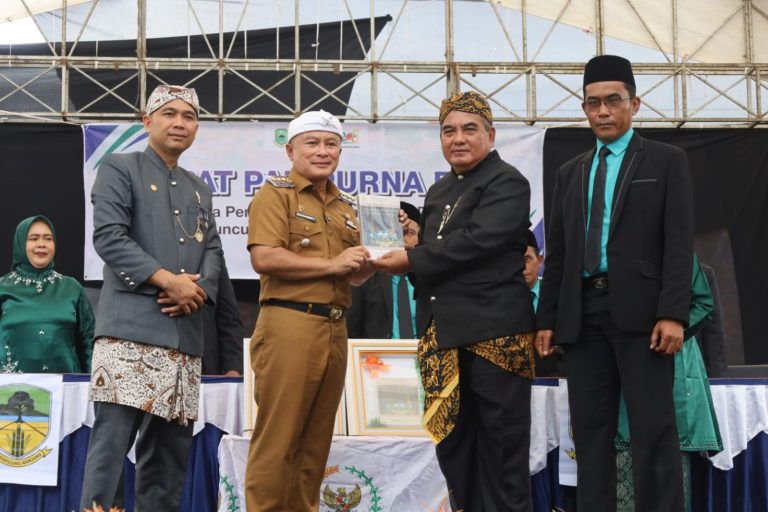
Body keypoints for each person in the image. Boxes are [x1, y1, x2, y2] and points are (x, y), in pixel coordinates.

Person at [536, 55, 694, 511]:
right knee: (589, 435)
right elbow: (558, 254)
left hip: (644, 315)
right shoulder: (571, 172)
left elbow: (678, 243)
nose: (602, 111)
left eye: (613, 101)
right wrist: (547, 318)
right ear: (584, 108)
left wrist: (673, 313)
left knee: (653, 431)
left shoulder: (666, 160)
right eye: (593, 103)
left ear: (634, 104)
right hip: (582, 316)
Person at [375, 91, 535, 511]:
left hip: (494, 338)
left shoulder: (508, 181)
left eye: (469, 129)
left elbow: (480, 241)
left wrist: (413, 258)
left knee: (501, 454)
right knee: (456, 452)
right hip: (443, 340)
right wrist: (413, 249)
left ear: (491, 135)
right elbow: (437, 260)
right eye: (448, 131)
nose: (458, 139)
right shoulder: (439, 190)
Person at [79, 85, 222, 510]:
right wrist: (167, 281)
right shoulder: (119, 167)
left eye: (189, 116)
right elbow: (109, 237)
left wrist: (197, 290)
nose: (180, 123)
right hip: (129, 332)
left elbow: (213, 250)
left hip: (184, 338)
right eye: (169, 114)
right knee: (111, 448)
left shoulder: (199, 188)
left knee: (168, 460)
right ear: (147, 122)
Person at [245, 109, 375, 510]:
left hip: (335, 327)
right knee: (278, 440)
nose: (323, 151)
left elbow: (354, 275)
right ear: (291, 150)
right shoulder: (275, 194)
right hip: (290, 322)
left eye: (331, 144)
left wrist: (378, 258)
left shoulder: (346, 205)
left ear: (340, 151)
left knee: (316, 444)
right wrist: (333, 264)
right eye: (312, 143)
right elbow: (264, 258)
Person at [615, 255, 722, 511]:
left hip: (673, 358)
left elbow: (703, 305)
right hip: (620, 360)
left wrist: (670, 332)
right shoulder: (612, 252)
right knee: (621, 463)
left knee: (669, 461)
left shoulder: (677, 252)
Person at [0, 215, 94, 373]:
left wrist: (93, 384)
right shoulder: (3, 287)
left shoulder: (71, 288)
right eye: (33, 238)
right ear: (20, 243)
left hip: (66, 386)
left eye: (48, 239)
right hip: (12, 387)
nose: (41, 244)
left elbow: (88, 344)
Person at [346, 201, 420, 339]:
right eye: (396, 233)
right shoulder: (364, 278)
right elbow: (352, 329)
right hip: (377, 352)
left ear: (420, 239)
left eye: (409, 233)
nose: (401, 240)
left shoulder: (429, 278)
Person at [201, 261, 244, 375]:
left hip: (207, 370)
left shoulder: (212, 255)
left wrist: (233, 368)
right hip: (160, 360)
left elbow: (229, 319)